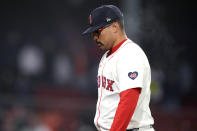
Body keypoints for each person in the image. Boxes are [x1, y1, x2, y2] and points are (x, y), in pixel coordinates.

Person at [82, 5, 154, 131]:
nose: (94, 37)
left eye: (98, 31)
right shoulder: (108, 55)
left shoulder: (129, 54)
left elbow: (129, 99)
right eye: (93, 33)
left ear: (115, 27)